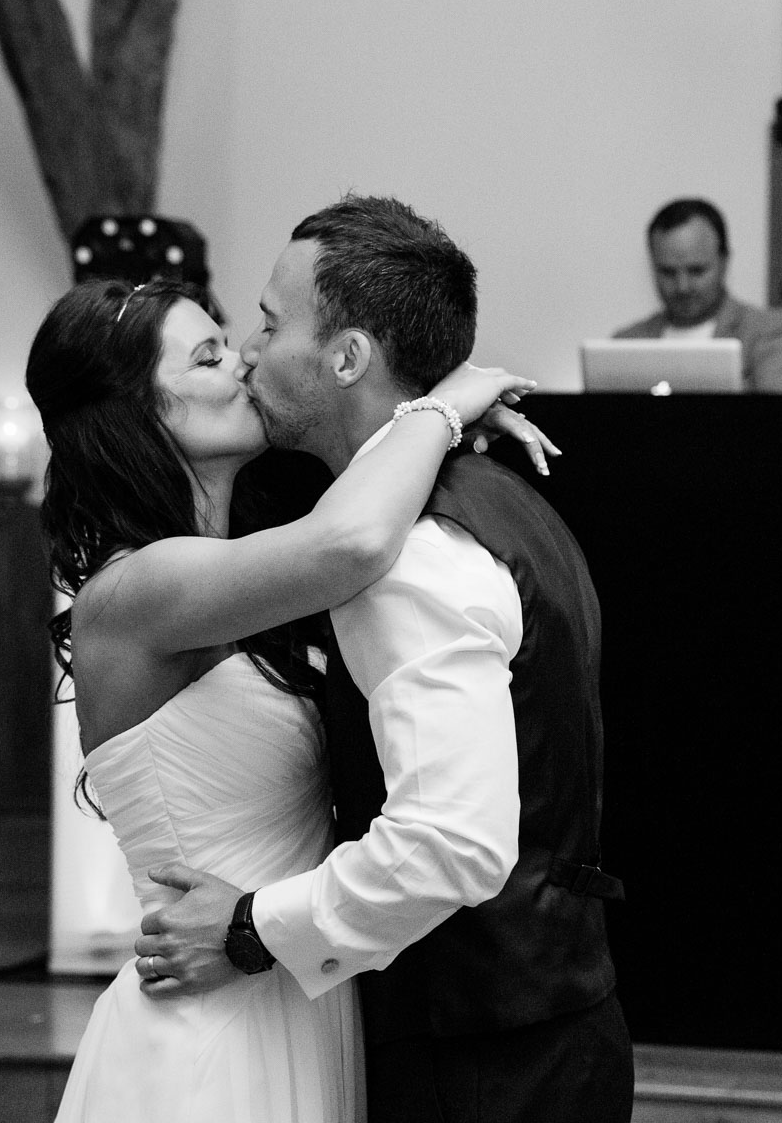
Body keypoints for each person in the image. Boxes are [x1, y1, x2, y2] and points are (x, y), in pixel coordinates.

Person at [136, 196, 635, 1122]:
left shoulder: (408, 554)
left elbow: (449, 845)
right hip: (542, 1026)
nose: (250, 351)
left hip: (478, 1063)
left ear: (347, 358)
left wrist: (248, 929)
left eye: (270, 323)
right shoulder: (485, 493)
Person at [30, 274, 550, 1122]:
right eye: (208, 356)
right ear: (138, 415)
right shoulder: (135, 592)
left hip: (290, 985)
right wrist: (442, 407)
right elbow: (354, 541)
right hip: (208, 1029)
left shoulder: (249, 558)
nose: (243, 360)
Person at [615, 197, 782, 393]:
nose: (682, 286)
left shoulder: (769, 334)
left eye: (696, 271)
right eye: (668, 272)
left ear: (724, 262)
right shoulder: (626, 345)